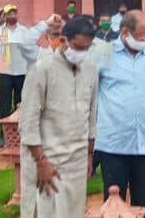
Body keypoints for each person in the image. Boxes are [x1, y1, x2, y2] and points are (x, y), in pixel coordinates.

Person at [93, 10, 145, 218]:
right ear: (124, 32)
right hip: (113, 144)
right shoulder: (104, 53)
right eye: (141, 34)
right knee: (114, 205)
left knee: (144, 203)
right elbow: (88, 90)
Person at [20, 17, 101, 217]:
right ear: (63, 40)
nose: (82, 52)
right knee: (47, 211)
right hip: (48, 160)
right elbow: (28, 122)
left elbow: (91, 114)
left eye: (87, 48)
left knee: (73, 211)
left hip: (78, 159)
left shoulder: (90, 69)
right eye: (78, 47)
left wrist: (89, 155)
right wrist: (41, 163)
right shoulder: (42, 70)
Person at [0, 4, 54, 122]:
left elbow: (35, 37)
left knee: (21, 103)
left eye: (14, 13)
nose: (12, 15)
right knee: (4, 104)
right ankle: (4, 135)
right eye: (9, 13)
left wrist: (47, 23)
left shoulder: (24, 31)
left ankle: (20, 133)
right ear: (4, 16)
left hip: (22, 73)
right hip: (4, 74)